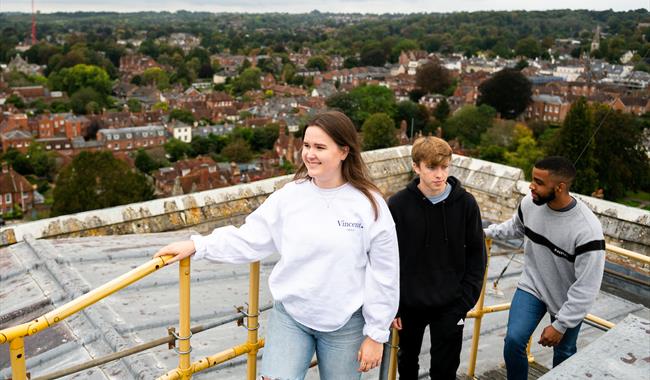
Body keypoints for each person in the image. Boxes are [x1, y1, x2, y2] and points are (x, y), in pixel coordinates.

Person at [154, 111, 399, 380]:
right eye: (306, 145)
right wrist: (197, 246)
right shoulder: (290, 196)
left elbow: (384, 273)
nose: (309, 154)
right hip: (291, 317)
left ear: (344, 151)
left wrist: (376, 334)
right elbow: (250, 238)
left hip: (345, 322)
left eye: (320, 147)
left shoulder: (370, 205)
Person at [484, 156, 605, 380]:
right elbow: (515, 227)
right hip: (533, 286)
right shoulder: (530, 203)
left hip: (567, 300)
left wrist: (560, 325)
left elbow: (587, 287)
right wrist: (484, 232)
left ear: (559, 187)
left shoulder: (587, 230)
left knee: (564, 354)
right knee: (513, 341)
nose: (532, 186)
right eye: (532, 179)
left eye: (539, 182)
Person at [387, 136, 486, 379]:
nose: (439, 174)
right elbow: (387, 259)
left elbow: (477, 255)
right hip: (409, 305)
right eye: (431, 167)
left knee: (445, 370)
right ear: (416, 167)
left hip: (451, 305)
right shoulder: (398, 205)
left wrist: (464, 302)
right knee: (407, 366)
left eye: (444, 167)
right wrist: (394, 306)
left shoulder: (466, 204)